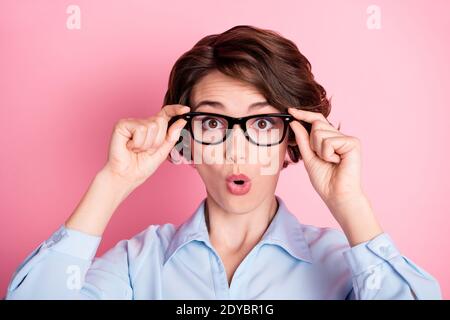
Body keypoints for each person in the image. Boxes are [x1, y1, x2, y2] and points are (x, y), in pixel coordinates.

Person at [6, 25, 441, 299]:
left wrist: (351, 205)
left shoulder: (346, 267)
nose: (238, 150)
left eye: (263, 122)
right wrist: (112, 182)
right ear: (184, 139)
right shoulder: (139, 265)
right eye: (213, 122)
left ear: (293, 138)